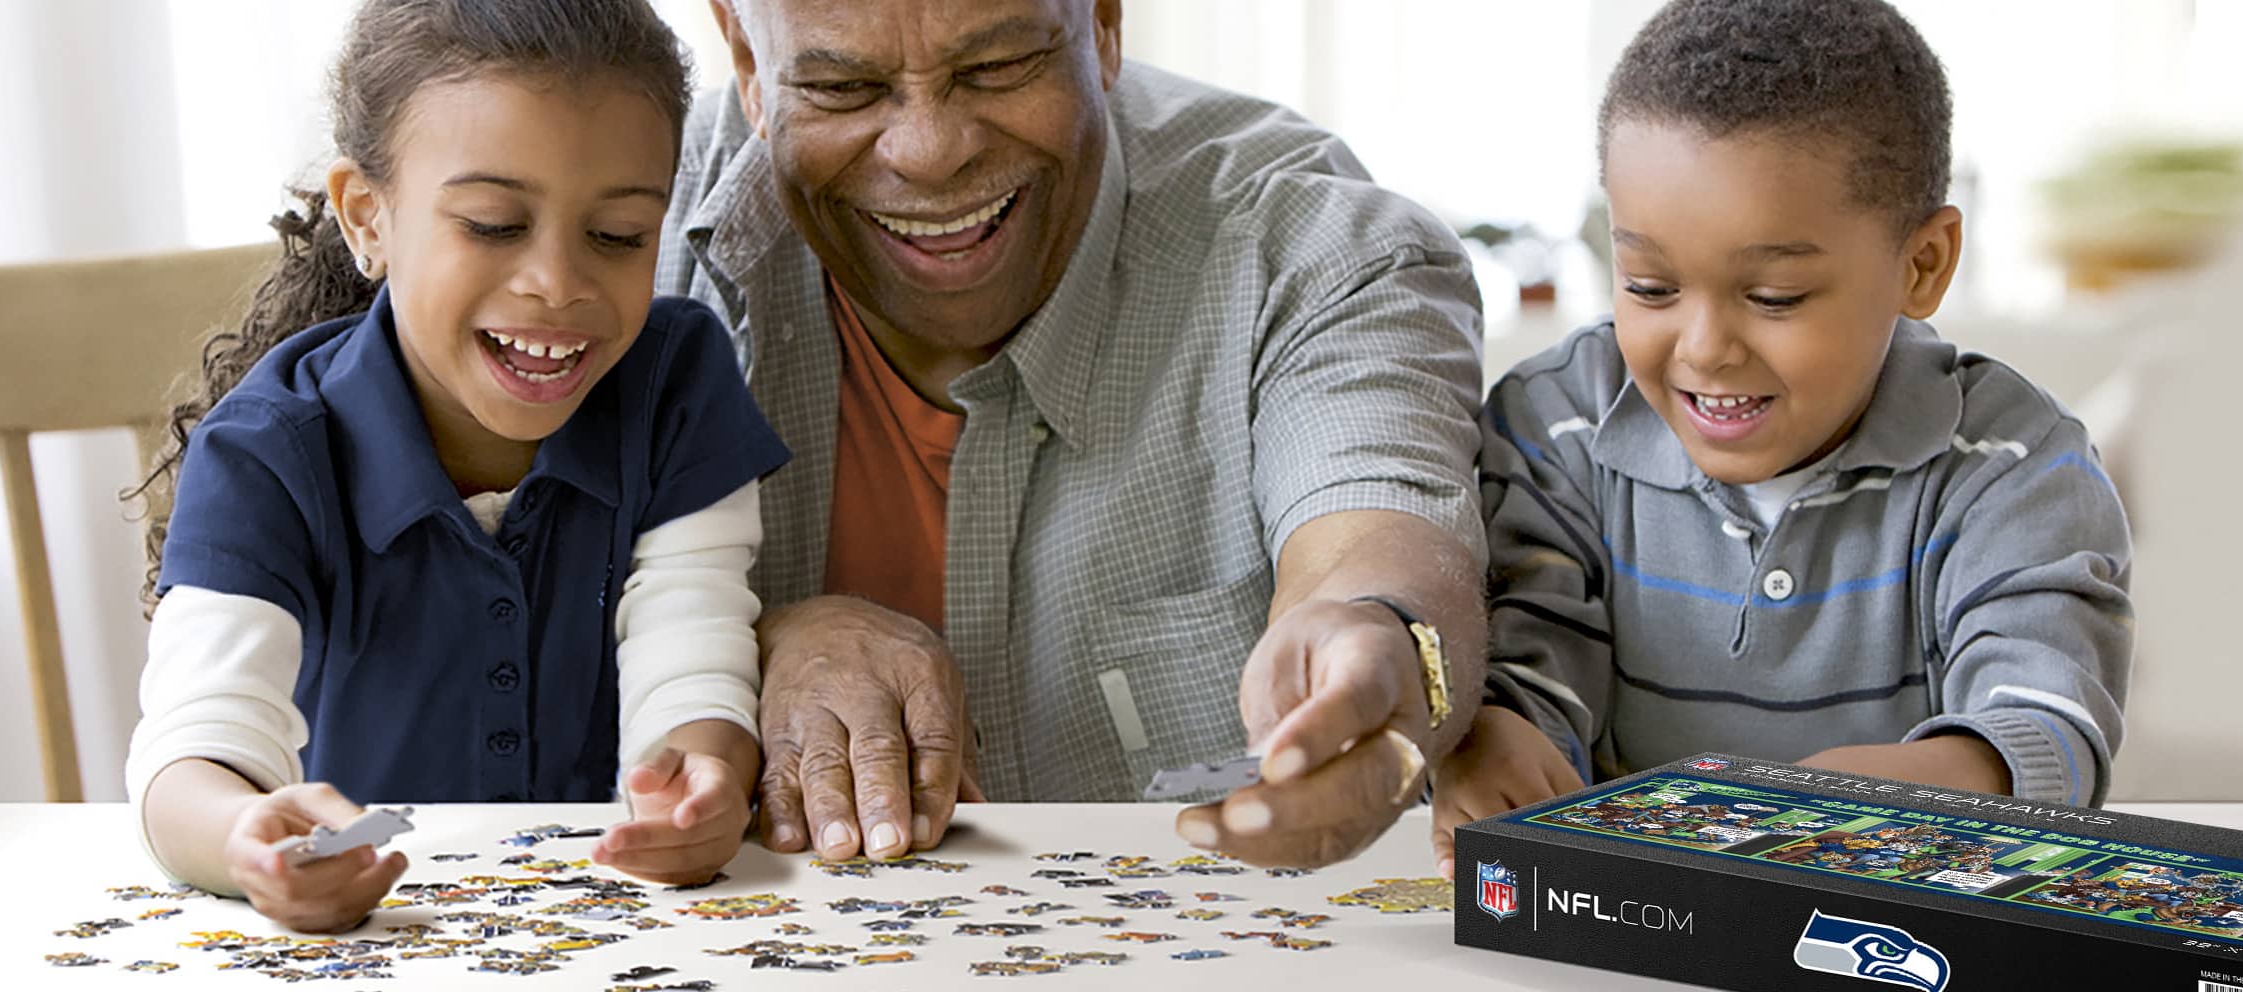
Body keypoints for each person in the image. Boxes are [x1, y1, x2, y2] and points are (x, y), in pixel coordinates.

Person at [665, 0, 1488, 869]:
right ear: (747, 61)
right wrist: (743, 642)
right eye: (841, 86)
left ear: (1102, 22)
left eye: (997, 67)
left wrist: (1382, 642)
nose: (930, 151)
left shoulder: (1309, 244)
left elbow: (1374, 534)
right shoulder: (602, 224)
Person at [121, 0, 788, 932]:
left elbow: (692, 648)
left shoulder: (677, 385)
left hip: (620, 929)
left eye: (620, 235)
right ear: (368, 217)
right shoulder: (266, 451)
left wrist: (701, 777)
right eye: (491, 223)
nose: (557, 281)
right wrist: (244, 836)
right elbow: (192, 750)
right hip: (371, 938)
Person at [1431, 0, 2133, 872]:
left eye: (1774, 299)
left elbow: (2045, 714)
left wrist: (1934, 779)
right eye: (1649, 286)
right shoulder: (1555, 423)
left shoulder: (2013, 464)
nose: (1704, 349)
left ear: (1922, 265)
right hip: (1626, 914)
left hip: (1890, 915)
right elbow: (1532, 647)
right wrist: (1493, 733)